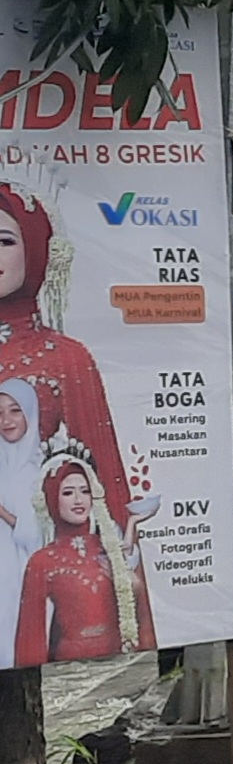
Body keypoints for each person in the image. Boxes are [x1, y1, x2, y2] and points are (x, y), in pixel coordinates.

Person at [0, 185, 134, 533]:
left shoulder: (64, 358)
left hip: (29, 536)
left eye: (4, 242)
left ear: (37, 250)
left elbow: (98, 477)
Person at [16, 451, 154, 665]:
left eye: (85, 491)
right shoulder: (42, 561)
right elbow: (31, 637)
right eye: (68, 493)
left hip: (121, 661)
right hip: (69, 668)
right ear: (52, 498)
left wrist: (134, 586)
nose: (79, 500)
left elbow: (140, 610)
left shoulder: (110, 549)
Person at [0, 380, 50, 663]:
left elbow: (41, 536)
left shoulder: (41, 469)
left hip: (24, 576)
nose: (6, 420)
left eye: (15, 410)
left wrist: (4, 514)